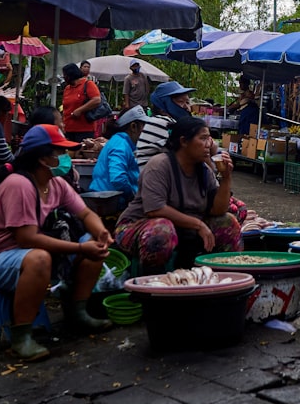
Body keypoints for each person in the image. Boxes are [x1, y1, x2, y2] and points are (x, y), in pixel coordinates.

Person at [0, 124, 113, 360]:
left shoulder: (56, 184)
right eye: (60, 152)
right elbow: (26, 238)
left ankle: (78, 312)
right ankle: (21, 337)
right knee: (40, 258)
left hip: (25, 253)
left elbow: (86, 214)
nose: (66, 157)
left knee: (93, 246)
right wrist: (79, 247)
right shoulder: (19, 185)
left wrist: (101, 234)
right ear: (42, 158)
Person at [114, 116, 241, 274]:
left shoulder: (204, 170)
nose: (209, 144)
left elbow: (218, 210)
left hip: (183, 230)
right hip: (138, 226)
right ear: (184, 141)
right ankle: (152, 286)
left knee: (228, 222)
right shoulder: (159, 166)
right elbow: (155, 210)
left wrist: (226, 178)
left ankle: (223, 282)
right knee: (162, 230)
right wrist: (198, 224)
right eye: (203, 138)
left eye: (209, 139)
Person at [88, 106, 151, 202]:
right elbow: (118, 179)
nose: (146, 130)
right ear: (133, 126)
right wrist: (133, 197)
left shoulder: (123, 143)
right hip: (109, 203)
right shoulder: (120, 145)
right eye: (144, 126)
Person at [136, 81, 196, 168]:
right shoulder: (161, 122)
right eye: (181, 101)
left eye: (187, 102)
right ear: (162, 107)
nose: (186, 107)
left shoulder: (173, 123)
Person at [61, 63, 101, 142]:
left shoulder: (88, 84)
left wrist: (80, 110)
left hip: (84, 129)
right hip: (68, 128)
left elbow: (96, 100)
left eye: (65, 75)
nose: (64, 77)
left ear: (70, 75)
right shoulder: (67, 88)